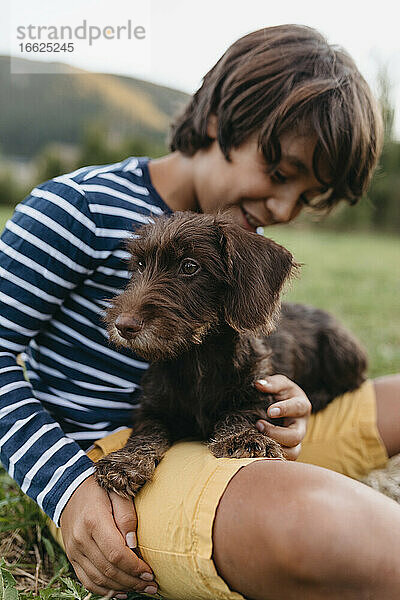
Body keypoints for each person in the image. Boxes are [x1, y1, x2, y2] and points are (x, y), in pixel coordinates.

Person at [1, 23, 400, 600]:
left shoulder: (240, 242)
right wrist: (67, 489)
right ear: (219, 121)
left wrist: (283, 407)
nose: (285, 208)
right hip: (122, 462)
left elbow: (254, 348)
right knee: (329, 529)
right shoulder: (77, 207)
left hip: (226, 429)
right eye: (280, 172)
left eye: (309, 196)